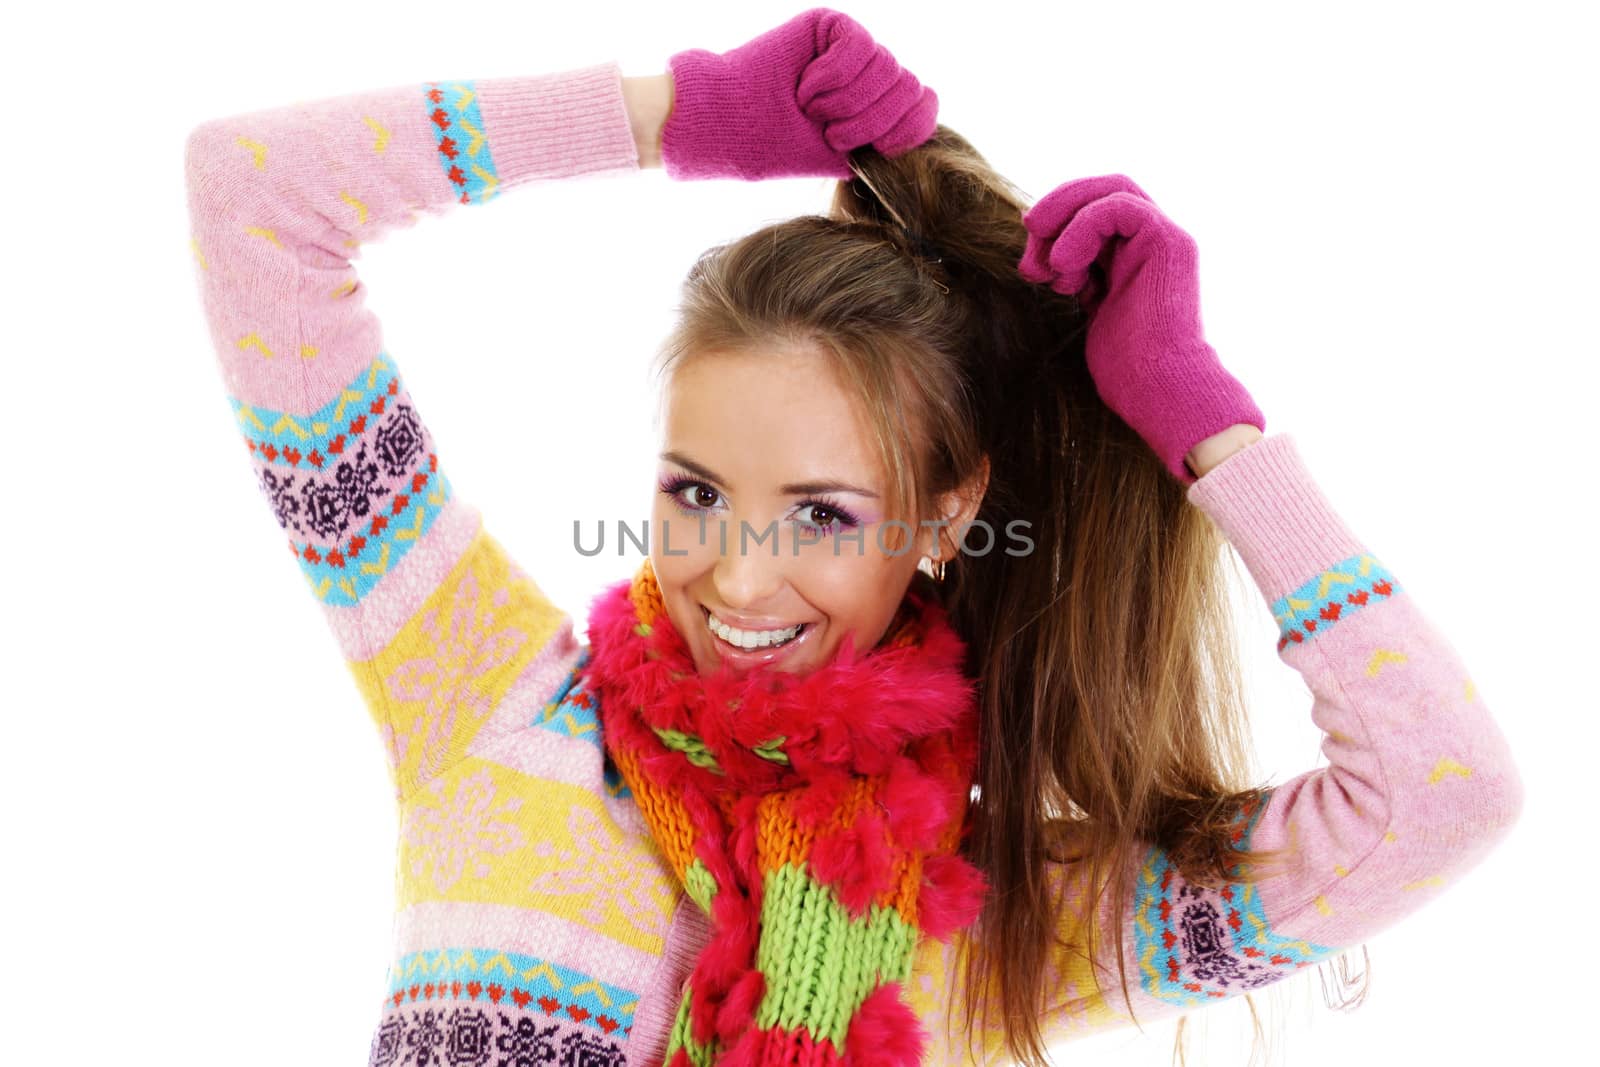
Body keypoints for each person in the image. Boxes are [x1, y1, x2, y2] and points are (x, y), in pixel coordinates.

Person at [181, 8, 1524, 1066]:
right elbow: (253, 193)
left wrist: (1208, 431)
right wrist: (674, 113)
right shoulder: (481, 693)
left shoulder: (999, 918)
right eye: (695, 493)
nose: (739, 574)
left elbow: (1442, 797)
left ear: (946, 518)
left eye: (823, 515)